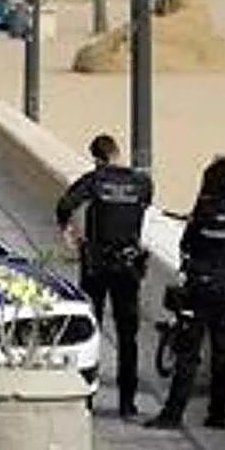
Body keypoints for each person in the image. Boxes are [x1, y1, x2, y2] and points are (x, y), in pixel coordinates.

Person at [147, 157, 225, 430]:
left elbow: (188, 243)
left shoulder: (205, 208)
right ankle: (218, 414)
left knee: (189, 353)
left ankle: (173, 414)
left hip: (203, 287)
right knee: (222, 353)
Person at [56, 134, 153, 419]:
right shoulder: (141, 182)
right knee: (128, 335)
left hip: (96, 264)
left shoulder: (95, 180)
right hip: (128, 265)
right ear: (117, 152)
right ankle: (127, 402)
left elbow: (65, 204)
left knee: (92, 328)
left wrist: (68, 230)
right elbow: (144, 207)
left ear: (96, 158)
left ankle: (86, 394)